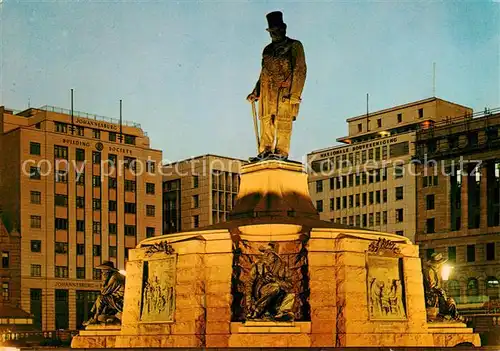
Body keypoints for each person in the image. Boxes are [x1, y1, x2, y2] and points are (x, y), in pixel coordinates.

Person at [247, 11, 307, 160]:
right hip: (267, 93)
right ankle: (265, 150)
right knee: (266, 121)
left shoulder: (294, 45)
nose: (274, 34)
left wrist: (294, 94)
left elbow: (300, 70)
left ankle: (281, 151)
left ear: (284, 29)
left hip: (284, 91)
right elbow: (264, 73)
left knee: (283, 122)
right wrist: (256, 91)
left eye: (277, 30)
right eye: (272, 31)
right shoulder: (267, 50)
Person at [245, 243, 295, 321]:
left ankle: (282, 312)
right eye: (264, 253)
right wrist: (248, 301)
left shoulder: (283, 266)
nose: (265, 255)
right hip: (260, 293)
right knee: (274, 287)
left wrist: (276, 280)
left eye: (268, 253)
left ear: (274, 255)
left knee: (291, 294)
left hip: (278, 296)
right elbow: (249, 283)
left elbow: (290, 285)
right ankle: (257, 309)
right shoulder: (258, 266)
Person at [83, 261, 125, 325]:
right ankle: (98, 317)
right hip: (115, 299)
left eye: (103, 272)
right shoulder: (114, 276)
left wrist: (104, 281)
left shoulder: (115, 277)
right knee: (102, 299)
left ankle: (95, 318)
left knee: (101, 298)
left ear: (107, 272)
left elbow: (104, 292)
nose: (102, 274)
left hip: (120, 301)